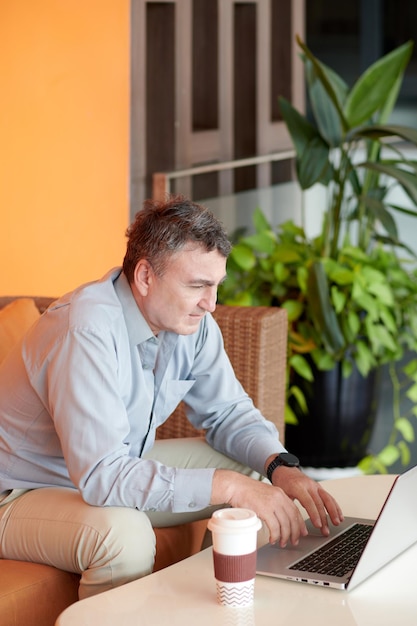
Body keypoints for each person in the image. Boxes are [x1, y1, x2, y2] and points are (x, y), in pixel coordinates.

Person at [0, 196, 343, 599]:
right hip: (20, 492)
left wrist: (282, 467)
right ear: (145, 276)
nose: (210, 304)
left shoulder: (192, 324)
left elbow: (229, 412)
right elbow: (102, 476)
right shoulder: (85, 331)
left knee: (254, 469)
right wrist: (228, 487)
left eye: (215, 286)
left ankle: (211, 606)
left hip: (110, 468)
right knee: (125, 535)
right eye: (197, 285)